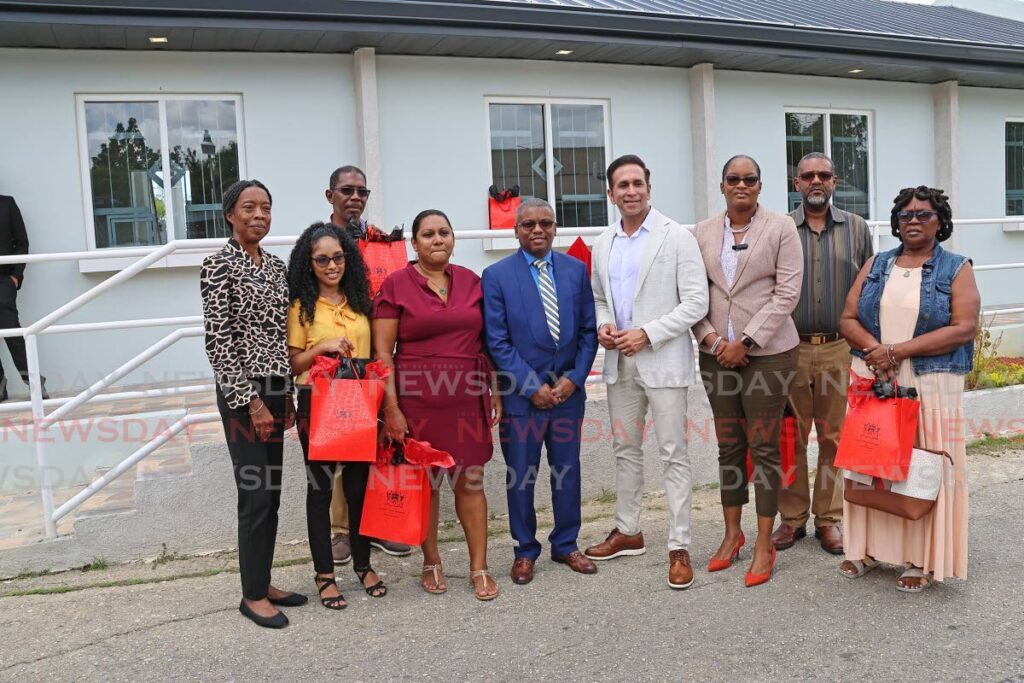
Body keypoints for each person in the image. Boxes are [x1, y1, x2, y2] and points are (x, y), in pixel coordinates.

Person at [838, 186, 978, 592]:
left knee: (921, 465)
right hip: (873, 376)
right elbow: (847, 317)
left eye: (923, 214)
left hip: (930, 380)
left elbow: (963, 327)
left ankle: (920, 559)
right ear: (896, 223)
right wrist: (875, 353)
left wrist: (895, 351)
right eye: (905, 215)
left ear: (940, 222)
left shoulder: (956, 267)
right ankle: (862, 548)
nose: (913, 221)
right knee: (871, 462)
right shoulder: (877, 264)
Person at [584, 155, 709, 591]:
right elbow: (601, 297)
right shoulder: (604, 242)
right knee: (624, 449)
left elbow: (696, 303)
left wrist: (647, 334)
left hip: (664, 360)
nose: (631, 191)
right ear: (611, 193)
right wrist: (604, 324)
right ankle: (628, 530)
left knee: (674, 454)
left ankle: (679, 545)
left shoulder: (677, 237)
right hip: (620, 362)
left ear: (649, 189)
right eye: (623, 185)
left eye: (638, 183)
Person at [373, 209, 503, 600]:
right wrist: (392, 408)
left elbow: (486, 342)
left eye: (444, 232)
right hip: (416, 401)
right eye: (427, 234)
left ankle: (479, 567)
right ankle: (430, 561)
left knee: (471, 482)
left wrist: (495, 389)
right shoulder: (396, 285)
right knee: (425, 486)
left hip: (467, 398)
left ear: (453, 238)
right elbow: (382, 353)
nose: (437, 239)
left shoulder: (472, 282)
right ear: (414, 243)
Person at [692, 155, 802, 587]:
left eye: (750, 179)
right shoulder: (700, 232)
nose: (742, 185)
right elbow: (690, 294)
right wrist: (715, 341)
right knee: (729, 445)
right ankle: (732, 534)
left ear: (760, 185)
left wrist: (747, 342)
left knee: (765, 446)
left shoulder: (780, 228)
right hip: (716, 353)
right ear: (722, 186)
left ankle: (763, 543)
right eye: (733, 179)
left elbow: (788, 290)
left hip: (769, 353)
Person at [200, 179, 305, 629]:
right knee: (255, 494)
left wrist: (288, 397)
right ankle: (251, 596)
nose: (259, 215)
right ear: (230, 214)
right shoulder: (217, 264)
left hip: (277, 387)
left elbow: (282, 336)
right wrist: (253, 404)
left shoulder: (277, 267)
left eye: (266, 207)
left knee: (274, 495)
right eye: (249, 208)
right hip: (243, 393)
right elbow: (219, 342)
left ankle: (263, 580)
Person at [482, 198, 599, 585]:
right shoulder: (496, 275)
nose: (538, 230)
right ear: (515, 230)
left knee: (567, 471)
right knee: (521, 474)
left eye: (546, 223)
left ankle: (566, 544)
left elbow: (587, 331)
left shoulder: (576, 271)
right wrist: (532, 387)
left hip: (568, 394)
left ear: (555, 228)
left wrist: (573, 379)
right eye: (529, 224)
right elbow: (497, 341)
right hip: (522, 398)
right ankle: (524, 550)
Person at [772, 153, 874, 555]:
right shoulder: (779, 229)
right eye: (808, 175)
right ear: (795, 183)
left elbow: (870, 287)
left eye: (824, 175)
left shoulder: (857, 228)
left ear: (835, 181)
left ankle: (828, 519)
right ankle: (792, 518)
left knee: (833, 437)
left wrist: (868, 345)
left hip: (837, 347)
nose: (816, 181)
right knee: (790, 436)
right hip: (787, 347)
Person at [287, 222, 386, 609]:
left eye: (338, 257)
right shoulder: (301, 307)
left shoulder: (361, 302)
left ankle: (363, 564)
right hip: (318, 402)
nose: (331, 265)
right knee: (321, 490)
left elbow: (377, 354)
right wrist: (323, 346)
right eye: (322, 259)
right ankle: (325, 575)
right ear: (308, 264)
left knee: (360, 487)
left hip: (361, 399)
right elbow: (293, 362)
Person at [323, 164, 413, 562]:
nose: (355, 197)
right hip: (339, 356)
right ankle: (342, 530)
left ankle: (377, 524)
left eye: (362, 191)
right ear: (331, 196)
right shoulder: (321, 241)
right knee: (344, 447)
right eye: (347, 190)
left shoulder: (376, 242)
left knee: (380, 440)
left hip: (377, 351)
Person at [0, 194, 47, 402]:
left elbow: (21, 242)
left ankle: (35, 382)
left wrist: (16, 276)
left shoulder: (6, 203)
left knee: (11, 329)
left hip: (3, 278)